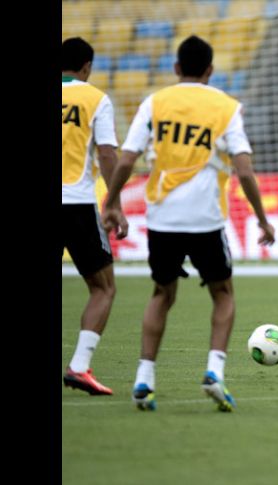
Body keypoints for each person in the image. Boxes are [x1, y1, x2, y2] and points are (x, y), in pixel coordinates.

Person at [102, 35, 276, 412]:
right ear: (211, 71)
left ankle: (143, 379)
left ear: (176, 68)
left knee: (161, 294)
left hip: (163, 217)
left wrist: (112, 200)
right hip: (205, 219)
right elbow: (244, 170)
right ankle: (214, 371)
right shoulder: (226, 107)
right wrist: (262, 219)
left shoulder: (154, 102)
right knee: (223, 293)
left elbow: (127, 160)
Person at [62, 37, 128, 396]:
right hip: (73, 204)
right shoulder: (94, 98)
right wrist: (113, 202)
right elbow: (106, 155)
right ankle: (79, 367)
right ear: (86, 67)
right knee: (103, 288)